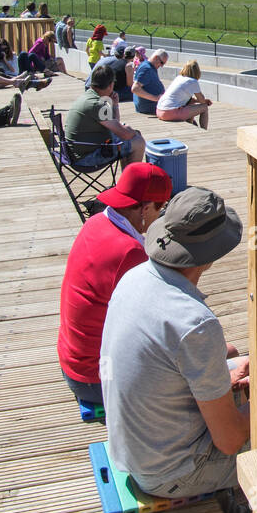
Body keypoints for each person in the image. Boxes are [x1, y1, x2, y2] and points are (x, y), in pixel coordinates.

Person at [100, 186, 251, 513]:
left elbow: (164, 372)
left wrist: (226, 377)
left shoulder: (135, 277)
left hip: (133, 449)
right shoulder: (194, 322)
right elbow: (228, 440)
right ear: (212, 253)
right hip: (170, 474)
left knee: (234, 369)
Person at [58, 163, 173, 408]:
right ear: (144, 208)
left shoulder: (97, 222)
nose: (160, 215)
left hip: (72, 359)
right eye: (160, 208)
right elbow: (152, 325)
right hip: (95, 379)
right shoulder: (129, 252)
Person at [65, 63, 145, 167]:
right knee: (138, 142)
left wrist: (115, 105)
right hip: (86, 158)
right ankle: (132, 182)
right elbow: (125, 134)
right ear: (111, 85)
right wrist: (130, 130)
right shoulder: (98, 105)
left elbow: (115, 127)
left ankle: (127, 179)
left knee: (131, 137)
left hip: (77, 152)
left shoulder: (88, 96)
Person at [156, 60, 212, 128]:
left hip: (159, 111)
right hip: (170, 113)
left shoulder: (178, 78)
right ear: (197, 72)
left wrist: (196, 101)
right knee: (204, 107)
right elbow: (202, 101)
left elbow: (184, 99)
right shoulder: (192, 81)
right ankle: (204, 130)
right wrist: (203, 101)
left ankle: (190, 126)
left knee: (191, 104)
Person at [131, 50, 168, 116]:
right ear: (156, 58)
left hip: (149, 105)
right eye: (162, 63)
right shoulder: (147, 69)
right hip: (148, 106)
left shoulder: (148, 66)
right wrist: (156, 98)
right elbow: (135, 89)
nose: (162, 66)